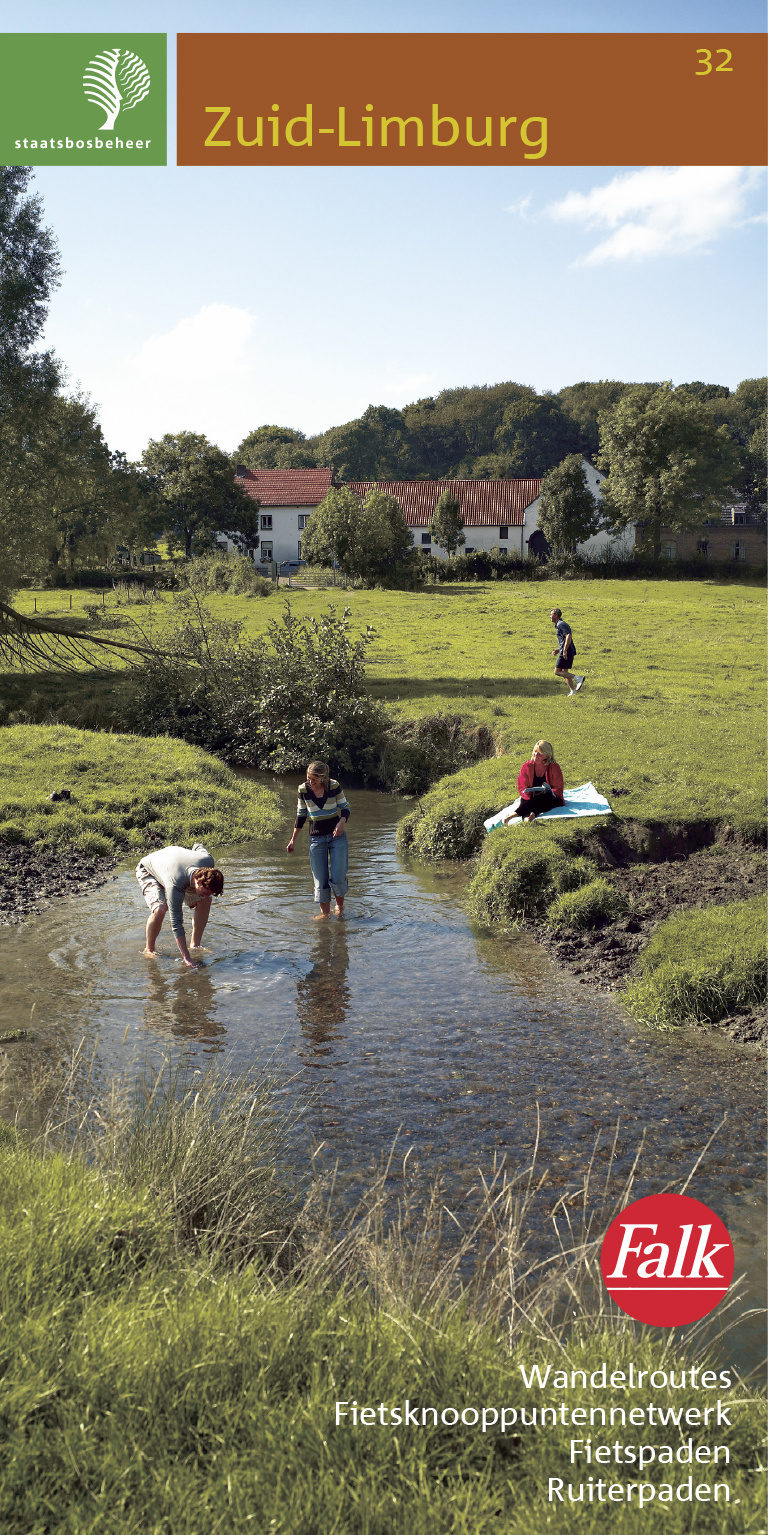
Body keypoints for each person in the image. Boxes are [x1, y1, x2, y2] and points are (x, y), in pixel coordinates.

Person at [136, 842, 224, 968]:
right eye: (204, 892)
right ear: (198, 882)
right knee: (160, 909)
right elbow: (176, 923)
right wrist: (187, 958)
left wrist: (193, 848)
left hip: (171, 864)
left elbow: (198, 846)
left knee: (206, 901)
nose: (205, 895)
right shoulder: (176, 884)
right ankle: (149, 949)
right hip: (148, 870)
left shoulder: (208, 861)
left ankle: (195, 945)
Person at [286, 760, 350, 918]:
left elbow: (345, 808)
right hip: (316, 840)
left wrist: (342, 822)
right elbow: (301, 815)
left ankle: (340, 909)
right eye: (308, 777)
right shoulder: (303, 789)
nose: (310, 781)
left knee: (338, 875)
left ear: (323, 778)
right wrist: (293, 840)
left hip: (337, 837)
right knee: (320, 879)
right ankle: (325, 915)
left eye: (313, 778)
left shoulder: (334, 786)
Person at [503, 739, 565, 824]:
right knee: (527, 801)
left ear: (547, 755)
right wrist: (527, 793)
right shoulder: (526, 766)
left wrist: (548, 792)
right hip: (531, 797)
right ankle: (527, 819)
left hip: (552, 798)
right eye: (535, 751)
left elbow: (558, 789)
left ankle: (512, 816)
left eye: (539, 753)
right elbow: (521, 786)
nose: (536, 754)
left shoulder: (554, 767)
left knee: (541, 800)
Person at [550, 607, 585, 696]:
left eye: (551, 614)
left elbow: (568, 636)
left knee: (557, 672)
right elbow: (564, 639)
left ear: (556, 615)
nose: (550, 616)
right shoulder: (559, 624)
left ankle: (578, 678)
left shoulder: (561, 624)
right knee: (564, 672)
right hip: (566, 650)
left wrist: (564, 651)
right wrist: (559, 650)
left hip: (567, 651)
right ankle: (572, 691)